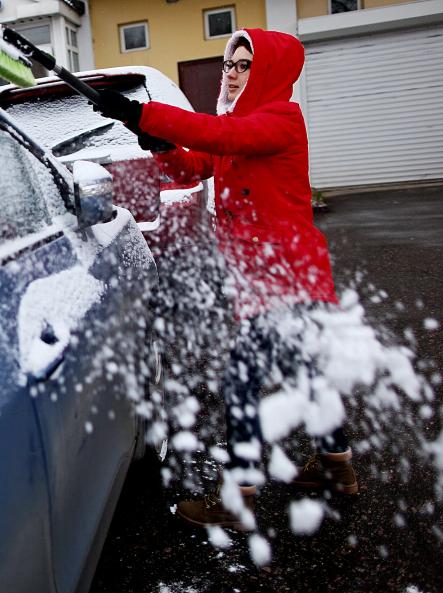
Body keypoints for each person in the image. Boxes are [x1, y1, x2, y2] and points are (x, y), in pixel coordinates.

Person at [93, 28, 358, 531]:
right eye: (230, 64)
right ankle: (336, 465)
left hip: (287, 277)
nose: (232, 74)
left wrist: (142, 112)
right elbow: (198, 164)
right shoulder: (235, 123)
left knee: (242, 381)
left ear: (270, 73)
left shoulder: (281, 119)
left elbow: (224, 139)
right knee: (304, 374)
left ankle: (240, 498)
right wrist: (156, 142)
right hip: (264, 276)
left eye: (244, 65)